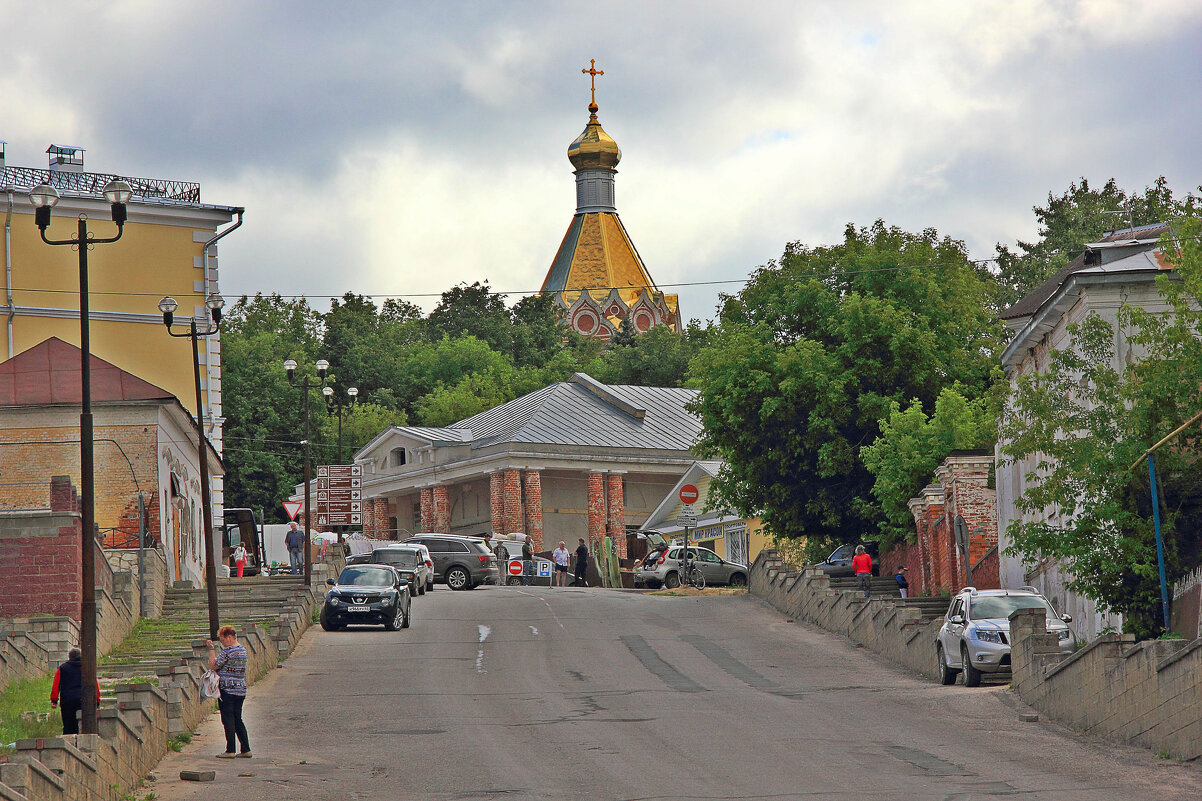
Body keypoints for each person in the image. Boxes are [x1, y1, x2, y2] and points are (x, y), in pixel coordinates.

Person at [207, 625, 251, 758]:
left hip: (227, 689)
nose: (222, 643)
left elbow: (214, 665)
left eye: (222, 640)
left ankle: (230, 750)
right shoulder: (243, 650)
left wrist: (211, 650)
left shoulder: (228, 652)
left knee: (228, 719)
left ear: (229, 637)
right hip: (240, 689)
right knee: (238, 719)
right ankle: (246, 749)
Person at [49, 648, 100, 735]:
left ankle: (70, 745)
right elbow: (95, 685)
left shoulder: (62, 668)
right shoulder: (88, 668)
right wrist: (97, 700)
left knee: (68, 726)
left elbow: (56, 685)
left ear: (69, 657)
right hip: (84, 700)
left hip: (67, 702)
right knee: (85, 726)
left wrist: (54, 700)